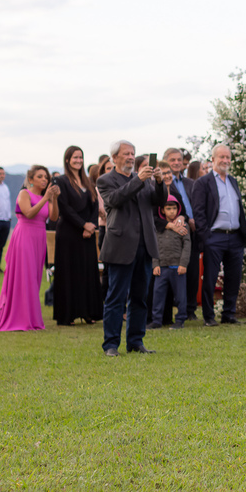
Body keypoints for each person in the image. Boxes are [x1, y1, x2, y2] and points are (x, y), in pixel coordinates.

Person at [97, 140, 168, 356]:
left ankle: (136, 342)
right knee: (116, 297)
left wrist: (158, 182)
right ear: (114, 158)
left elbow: (159, 201)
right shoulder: (105, 180)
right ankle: (111, 344)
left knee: (139, 297)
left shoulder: (144, 179)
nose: (130, 157)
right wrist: (140, 179)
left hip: (144, 245)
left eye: (132, 153)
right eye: (126, 153)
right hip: (120, 246)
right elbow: (115, 199)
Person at [0, 166, 60, 330]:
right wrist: (45, 198)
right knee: (24, 275)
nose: (44, 180)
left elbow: (54, 217)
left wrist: (54, 199)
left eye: (46, 177)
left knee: (34, 276)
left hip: (39, 238)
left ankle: (31, 316)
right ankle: (19, 316)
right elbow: (29, 213)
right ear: (31, 179)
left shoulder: (46, 197)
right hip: (25, 236)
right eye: (40, 176)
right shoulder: (24, 194)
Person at [193, 144, 246, 327]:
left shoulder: (233, 181)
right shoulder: (203, 183)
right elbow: (198, 212)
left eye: (228, 157)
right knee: (210, 278)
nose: (225, 160)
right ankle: (209, 316)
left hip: (235, 236)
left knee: (234, 277)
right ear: (213, 159)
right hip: (214, 237)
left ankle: (229, 314)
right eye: (222, 157)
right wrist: (206, 237)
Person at [53, 146, 103, 326]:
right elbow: (64, 207)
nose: (78, 161)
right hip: (69, 233)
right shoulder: (60, 181)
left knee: (88, 272)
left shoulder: (87, 181)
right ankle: (68, 314)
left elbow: (95, 205)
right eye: (75, 157)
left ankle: (88, 312)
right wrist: (82, 224)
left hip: (87, 235)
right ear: (67, 160)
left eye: (80, 157)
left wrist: (91, 225)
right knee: (69, 273)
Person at [163, 147, 200, 322]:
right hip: (171, 234)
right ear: (166, 162)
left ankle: (190, 310)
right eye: (173, 160)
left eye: (179, 159)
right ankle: (169, 312)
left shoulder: (190, 183)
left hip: (190, 233)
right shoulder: (163, 184)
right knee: (171, 273)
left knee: (192, 271)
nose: (177, 163)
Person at [151, 195, 192, 329]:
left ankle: (180, 320)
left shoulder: (183, 226)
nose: (172, 211)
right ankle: (156, 320)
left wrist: (183, 264)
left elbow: (187, 246)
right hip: (161, 267)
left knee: (180, 296)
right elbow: (154, 246)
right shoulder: (158, 227)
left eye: (174, 208)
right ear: (162, 210)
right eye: (168, 209)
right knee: (158, 295)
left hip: (177, 267)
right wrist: (155, 264)